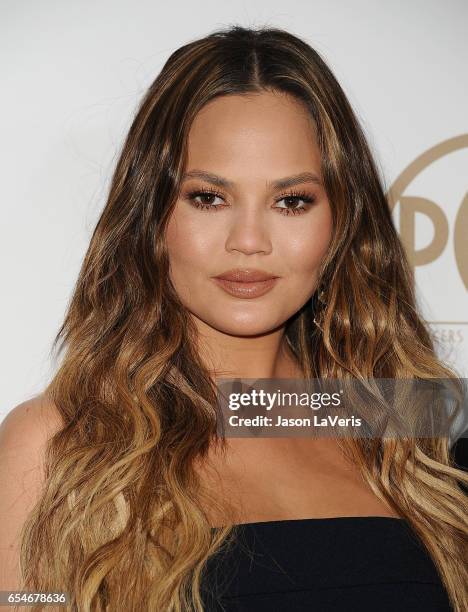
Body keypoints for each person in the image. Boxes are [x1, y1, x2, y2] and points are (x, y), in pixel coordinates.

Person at [1, 24, 467, 612]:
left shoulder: (405, 426)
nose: (249, 241)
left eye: (291, 201)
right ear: (151, 214)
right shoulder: (60, 442)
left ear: (343, 220)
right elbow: (23, 602)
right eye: (208, 198)